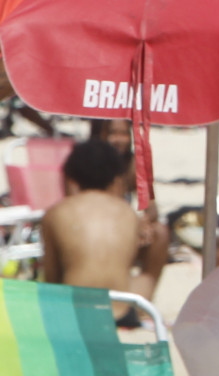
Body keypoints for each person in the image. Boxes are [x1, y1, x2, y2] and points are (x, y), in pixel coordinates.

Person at [41, 140, 145, 315]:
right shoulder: (128, 213)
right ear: (115, 178)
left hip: (75, 312)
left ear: (71, 176)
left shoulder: (57, 213)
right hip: (122, 311)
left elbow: (52, 278)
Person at [88, 118, 171, 302]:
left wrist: (146, 223)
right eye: (113, 134)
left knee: (160, 233)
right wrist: (134, 223)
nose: (120, 140)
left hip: (126, 230)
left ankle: (144, 298)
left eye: (125, 134)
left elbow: (152, 206)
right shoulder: (91, 165)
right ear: (102, 135)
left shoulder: (133, 163)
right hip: (97, 232)